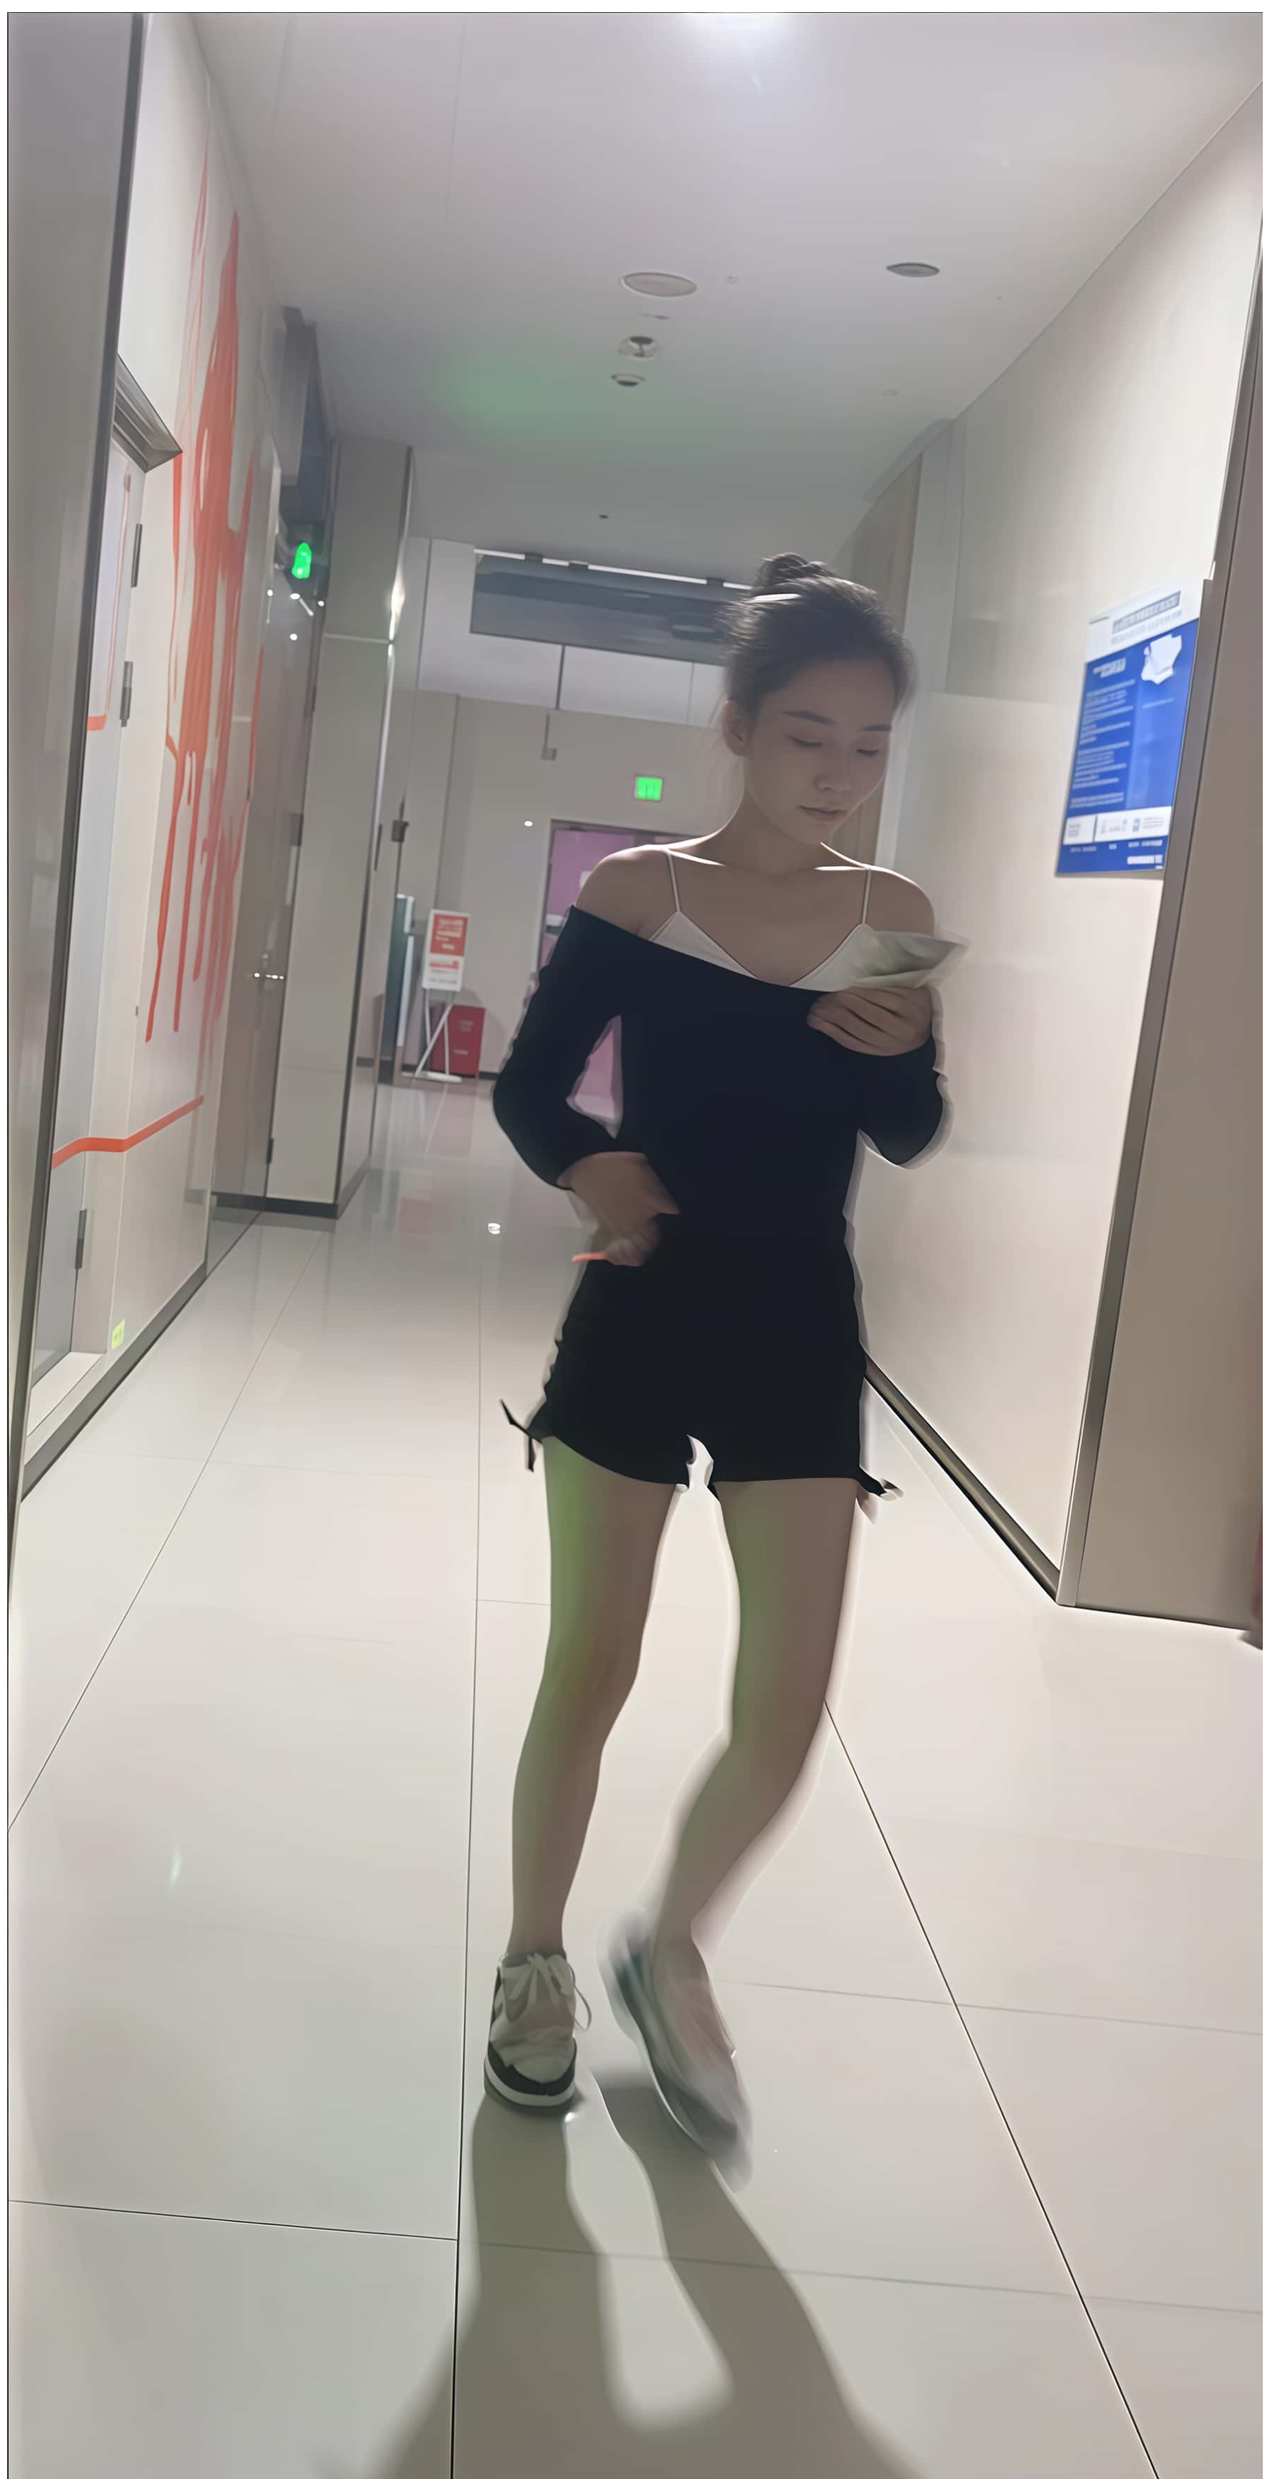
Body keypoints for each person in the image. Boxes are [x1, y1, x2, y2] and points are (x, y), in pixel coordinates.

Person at [487, 556, 948, 2152]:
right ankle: (535, 1961)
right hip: (641, 1301)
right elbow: (534, 1089)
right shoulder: (639, 893)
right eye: (810, 736)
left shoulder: (892, 918)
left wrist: (899, 1057)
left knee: (786, 1708)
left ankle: (667, 1942)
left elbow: (909, 1130)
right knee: (592, 1666)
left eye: (869, 746)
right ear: (741, 727)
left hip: (800, 1326)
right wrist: (589, 1166)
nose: (839, 773)